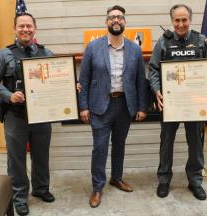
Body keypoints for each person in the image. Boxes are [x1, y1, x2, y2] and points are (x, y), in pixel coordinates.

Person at [79, 5, 148, 208]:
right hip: (100, 107)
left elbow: (139, 81)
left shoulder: (134, 49)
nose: (116, 20)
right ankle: (97, 187)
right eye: (112, 17)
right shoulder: (93, 47)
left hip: (125, 105)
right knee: (99, 148)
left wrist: (142, 107)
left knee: (119, 145)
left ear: (124, 22)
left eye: (120, 17)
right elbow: (84, 79)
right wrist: (83, 106)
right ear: (106, 22)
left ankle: (116, 178)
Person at [0, 13, 55, 216]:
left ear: (35, 28)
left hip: (41, 115)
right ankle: (19, 197)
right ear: (15, 29)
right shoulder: (3, 54)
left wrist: (70, 86)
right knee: (16, 159)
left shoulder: (46, 52)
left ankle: (41, 189)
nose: (25, 29)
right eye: (21, 26)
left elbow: (57, 78)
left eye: (29, 26)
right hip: (15, 117)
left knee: (41, 155)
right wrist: (8, 95)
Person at [149, 4, 207, 201]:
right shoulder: (163, 42)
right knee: (166, 143)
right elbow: (153, 69)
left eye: (184, 19)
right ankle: (164, 180)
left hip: (195, 104)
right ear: (172, 21)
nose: (180, 24)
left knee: (195, 144)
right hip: (171, 103)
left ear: (190, 19)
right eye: (177, 20)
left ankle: (195, 181)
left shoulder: (201, 40)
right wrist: (157, 90)